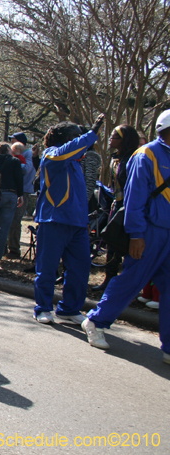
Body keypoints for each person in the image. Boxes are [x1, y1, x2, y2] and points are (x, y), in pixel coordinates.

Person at [82, 110, 170, 362]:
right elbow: (134, 198)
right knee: (132, 280)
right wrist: (136, 234)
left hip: (168, 232)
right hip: (149, 231)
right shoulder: (147, 155)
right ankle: (96, 322)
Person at [32, 113, 105, 324]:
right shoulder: (51, 155)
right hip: (53, 221)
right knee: (47, 268)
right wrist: (92, 134)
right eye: (75, 136)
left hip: (78, 224)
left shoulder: (75, 163)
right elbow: (69, 150)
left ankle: (69, 309)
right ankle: (42, 308)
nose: (79, 140)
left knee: (81, 268)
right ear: (65, 139)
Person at [93, 125, 140, 292]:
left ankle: (127, 285)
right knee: (112, 242)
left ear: (124, 140)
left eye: (114, 137)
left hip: (129, 207)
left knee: (124, 245)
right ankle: (109, 279)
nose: (110, 139)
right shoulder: (116, 159)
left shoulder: (133, 159)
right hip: (116, 204)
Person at [0, 142, 24, 260]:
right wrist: (20, 194)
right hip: (10, 194)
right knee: (5, 226)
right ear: (8, 149)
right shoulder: (14, 161)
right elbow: (18, 178)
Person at [6, 133, 37, 257]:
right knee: (6, 219)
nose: (12, 143)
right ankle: (2, 247)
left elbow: (26, 169)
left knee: (15, 220)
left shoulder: (27, 153)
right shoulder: (13, 153)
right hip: (12, 189)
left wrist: (13, 162)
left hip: (22, 190)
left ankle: (14, 250)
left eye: (13, 141)